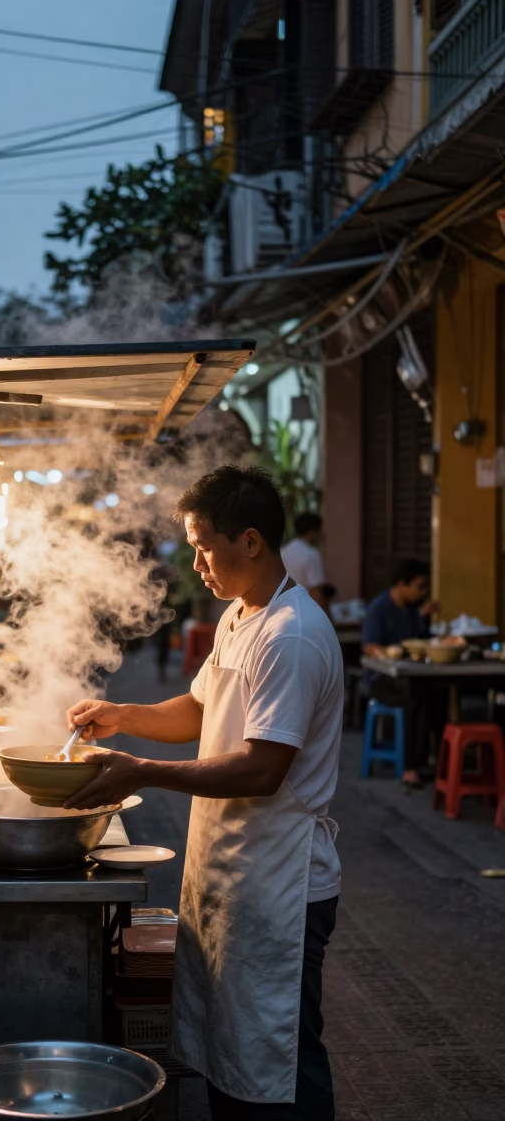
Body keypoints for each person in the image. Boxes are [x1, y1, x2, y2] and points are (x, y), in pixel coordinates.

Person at [65, 466, 343, 1121]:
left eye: (203, 545)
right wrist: (123, 714)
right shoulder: (237, 618)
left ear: (250, 540)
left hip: (281, 883)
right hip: (233, 874)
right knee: (231, 1053)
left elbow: (261, 768)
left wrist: (141, 771)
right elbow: (198, 709)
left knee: (283, 1062)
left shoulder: (291, 635)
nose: (196, 563)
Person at [362, 558, 444, 788]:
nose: (423, 592)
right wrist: (388, 653)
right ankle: (410, 767)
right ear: (402, 584)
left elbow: (423, 640)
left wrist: (425, 616)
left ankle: (438, 760)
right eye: (420, 587)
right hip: (381, 679)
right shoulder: (379, 608)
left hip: (411, 676)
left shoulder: (411, 611)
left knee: (438, 694)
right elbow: (369, 646)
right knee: (414, 697)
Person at [282, 512, 328, 610]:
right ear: (312, 531)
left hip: (283, 610)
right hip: (304, 611)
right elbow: (316, 593)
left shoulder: (283, 552)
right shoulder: (311, 554)